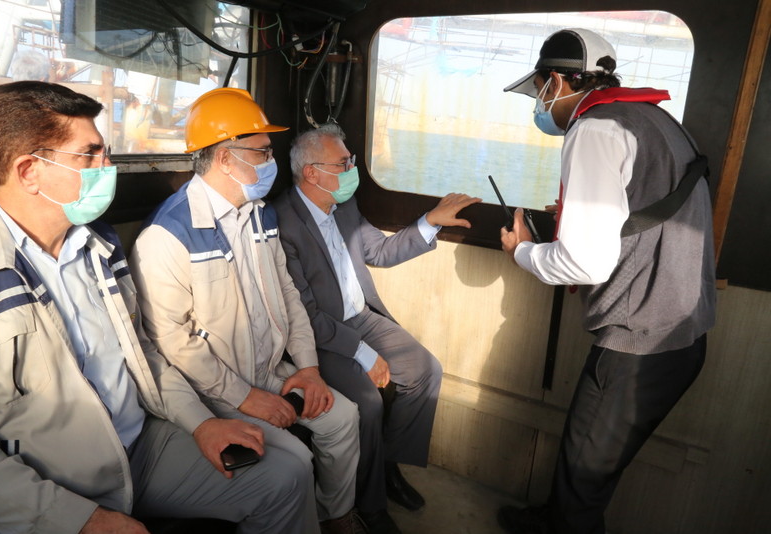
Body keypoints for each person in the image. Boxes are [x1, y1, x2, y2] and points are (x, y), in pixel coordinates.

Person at [0, 81, 312, 533]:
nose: (107, 167)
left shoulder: (101, 245)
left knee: (287, 476)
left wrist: (200, 423)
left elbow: (144, 353)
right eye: (89, 155)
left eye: (106, 152)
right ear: (29, 171)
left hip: (140, 444)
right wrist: (79, 520)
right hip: (47, 481)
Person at [497, 28, 716, 534]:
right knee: (589, 462)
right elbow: (646, 204)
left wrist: (522, 251)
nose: (540, 104)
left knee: (584, 477)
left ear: (557, 82)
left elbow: (585, 263)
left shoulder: (594, 129)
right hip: (683, 333)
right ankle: (551, 519)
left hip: (639, 345)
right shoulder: (656, 120)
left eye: (539, 91)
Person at [128, 88, 364, 534]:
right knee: (296, 461)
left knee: (344, 417)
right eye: (262, 152)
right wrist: (243, 397)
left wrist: (308, 368)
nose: (271, 162)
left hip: (270, 369)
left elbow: (289, 294)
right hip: (214, 388)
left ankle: (336, 516)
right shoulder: (167, 235)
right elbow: (173, 342)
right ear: (224, 159)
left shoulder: (259, 214)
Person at [273, 124, 482, 534]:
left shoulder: (343, 204)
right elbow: (305, 315)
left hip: (361, 316)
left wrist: (429, 221)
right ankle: (369, 504)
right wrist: (364, 353)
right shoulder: (283, 222)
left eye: (351, 160)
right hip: (320, 336)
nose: (352, 169)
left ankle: (385, 467)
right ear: (312, 172)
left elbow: (380, 251)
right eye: (343, 163)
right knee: (367, 403)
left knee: (425, 370)